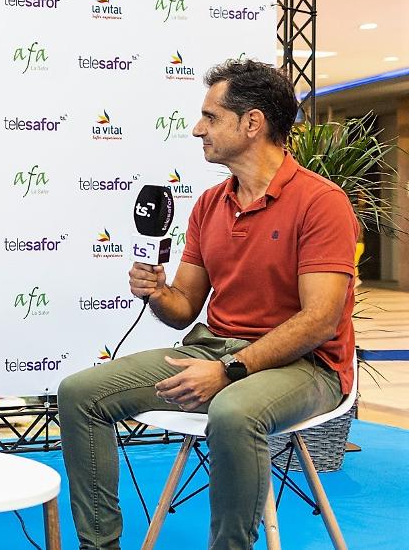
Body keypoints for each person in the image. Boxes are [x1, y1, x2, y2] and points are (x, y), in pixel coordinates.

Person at [58, 59, 358, 550]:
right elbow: (184, 308)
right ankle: (99, 546)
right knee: (79, 393)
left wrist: (230, 371)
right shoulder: (209, 204)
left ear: (252, 123)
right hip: (215, 350)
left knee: (235, 412)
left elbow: (320, 320)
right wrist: (157, 291)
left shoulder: (320, 202)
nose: (198, 129)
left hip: (307, 366)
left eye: (210, 117)